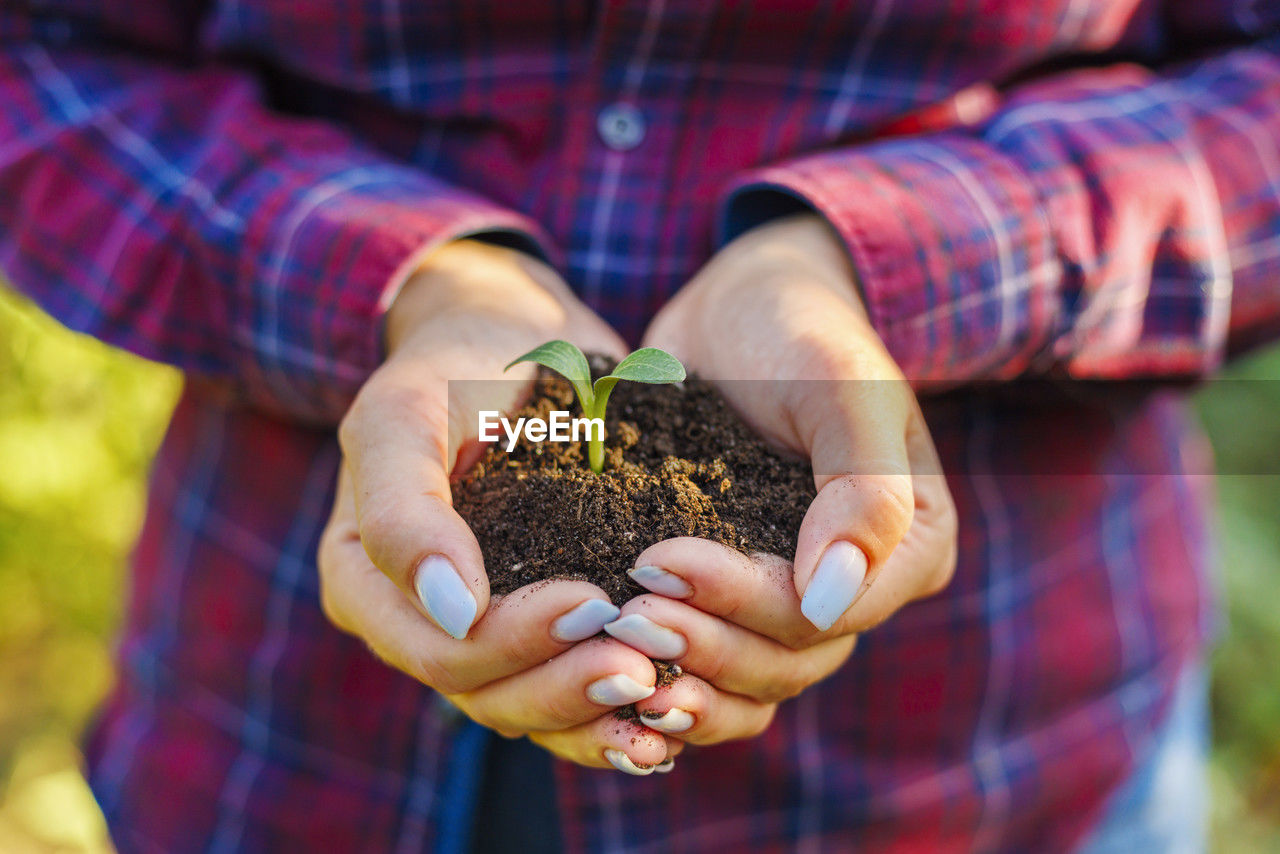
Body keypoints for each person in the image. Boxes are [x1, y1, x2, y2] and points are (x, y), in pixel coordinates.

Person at [1, 1, 1277, 851]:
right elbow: (43, 51)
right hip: (282, 739)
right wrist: (422, 282)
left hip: (983, 763)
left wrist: (867, 258)